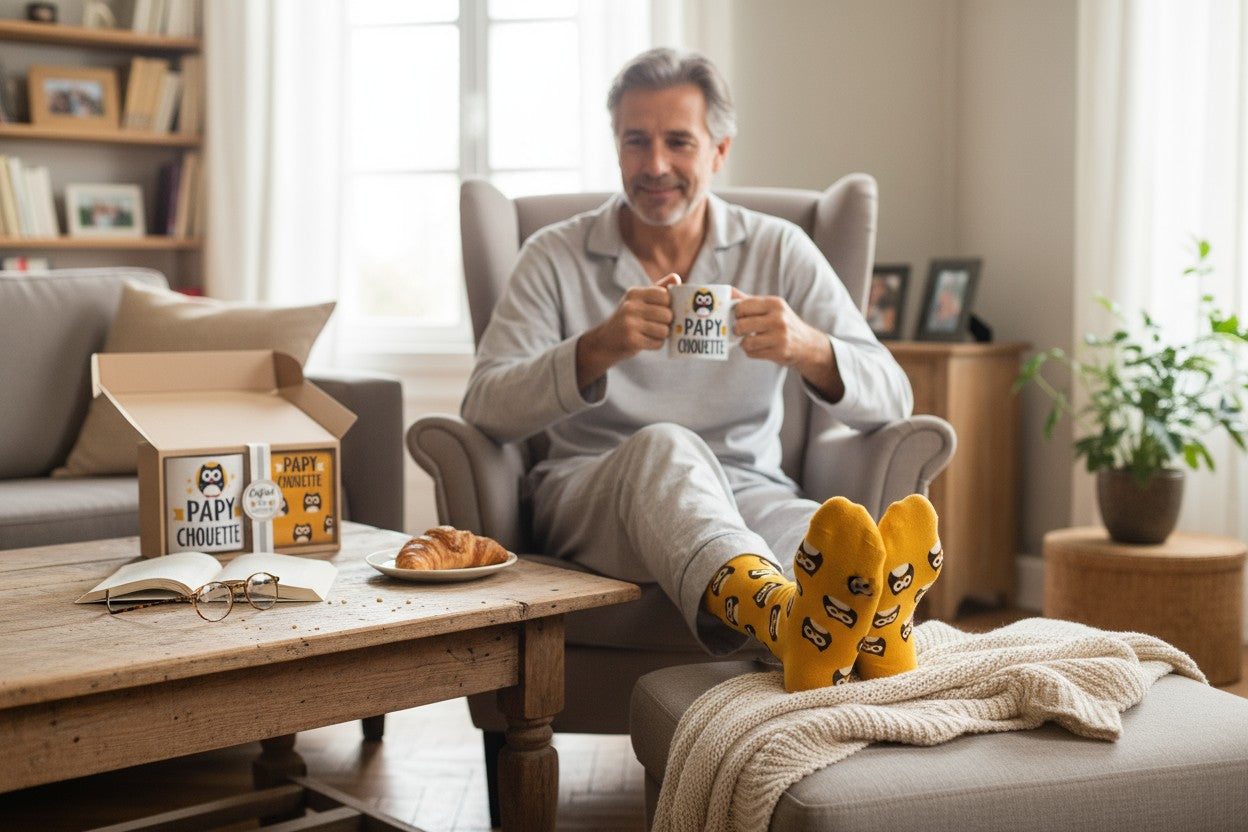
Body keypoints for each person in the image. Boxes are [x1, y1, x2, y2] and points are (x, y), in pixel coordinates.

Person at [461, 47, 943, 692]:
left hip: (747, 485)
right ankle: (783, 619)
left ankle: (868, 611)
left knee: (822, 539)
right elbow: (484, 406)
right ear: (616, 145)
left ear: (718, 151)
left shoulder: (778, 247)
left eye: (678, 142)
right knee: (665, 445)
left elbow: (894, 395)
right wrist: (595, 348)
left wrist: (808, 346)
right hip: (594, 494)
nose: (655, 165)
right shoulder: (553, 254)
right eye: (636, 141)